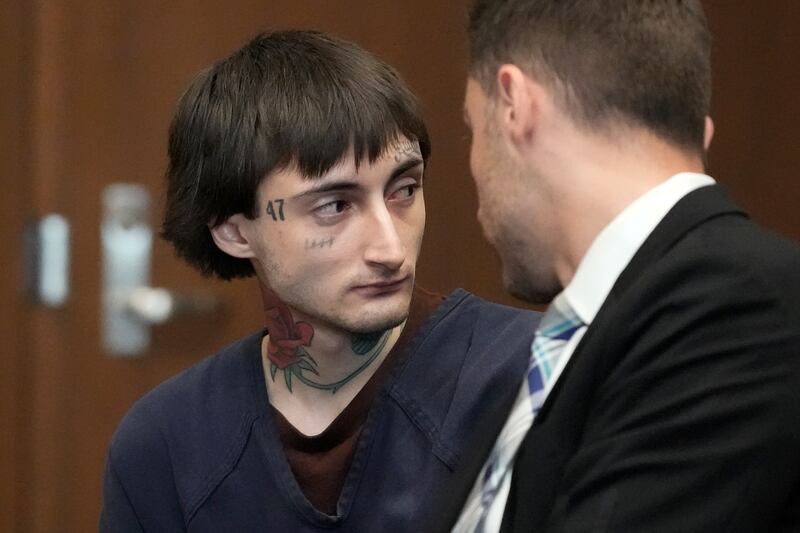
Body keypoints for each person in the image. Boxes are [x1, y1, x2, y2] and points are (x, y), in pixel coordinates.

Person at [99, 30, 541, 532]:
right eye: (334, 206)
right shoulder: (167, 446)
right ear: (234, 231)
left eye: (404, 190)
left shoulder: (530, 374)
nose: (390, 249)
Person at [438, 1, 800, 532]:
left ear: (514, 104)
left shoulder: (741, 300)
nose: (474, 169)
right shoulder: (583, 335)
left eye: (473, 129)